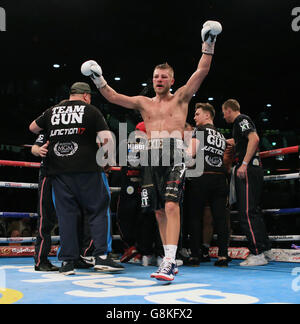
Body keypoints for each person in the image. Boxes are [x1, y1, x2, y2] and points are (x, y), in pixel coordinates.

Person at [81, 20, 222, 281]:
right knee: (157, 210)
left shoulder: (181, 97)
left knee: (171, 205)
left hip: (175, 153)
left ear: (171, 80)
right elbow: (113, 96)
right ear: (153, 79)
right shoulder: (144, 103)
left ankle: (169, 259)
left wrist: (208, 42)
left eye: (164, 77)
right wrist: (97, 78)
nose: (159, 80)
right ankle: (168, 257)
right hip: (151, 156)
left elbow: (202, 70)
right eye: (156, 76)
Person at [29, 82, 124, 275]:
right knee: (98, 210)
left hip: (59, 172)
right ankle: (101, 257)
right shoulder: (91, 110)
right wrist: (107, 161)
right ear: (86, 96)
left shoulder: (52, 111)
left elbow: (32, 128)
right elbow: (107, 138)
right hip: (88, 170)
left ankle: (67, 263)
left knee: (66, 216)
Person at [222, 99, 272, 266]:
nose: (223, 116)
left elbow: (254, 139)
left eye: (223, 112)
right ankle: (264, 250)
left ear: (229, 110)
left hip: (248, 169)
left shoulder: (241, 119)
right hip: (253, 169)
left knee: (247, 212)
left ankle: (257, 253)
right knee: (254, 211)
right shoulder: (239, 125)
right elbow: (244, 140)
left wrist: (243, 164)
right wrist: (230, 141)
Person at [186, 103, 229, 267]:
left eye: (197, 114)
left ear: (207, 116)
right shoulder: (220, 135)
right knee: (220, 218)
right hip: (219, 178)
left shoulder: (200, 131)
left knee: (195, 217)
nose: (195, 117)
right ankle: (223, 256)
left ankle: (195, 255)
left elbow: (190, 153)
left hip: (201, 177)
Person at [31, 132, 59, 271]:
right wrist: (39, 150)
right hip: (48, 174)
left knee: (73, 216)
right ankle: (41, 260)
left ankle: (74, 257)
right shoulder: (49, 127)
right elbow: (34, 148)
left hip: (69, 174)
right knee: (45, 217)